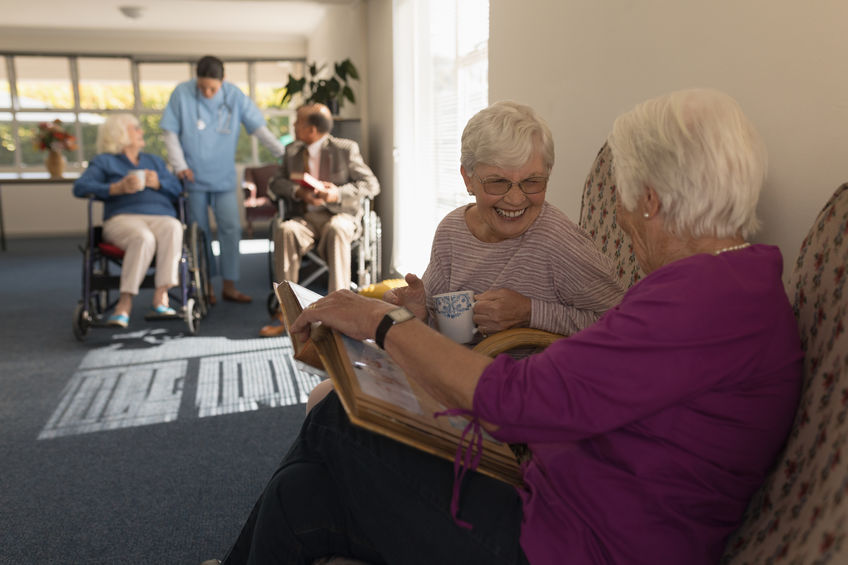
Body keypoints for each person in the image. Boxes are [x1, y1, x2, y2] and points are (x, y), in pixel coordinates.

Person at [208, 88, 804, 565]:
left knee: (339, 422)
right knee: (300, 495)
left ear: (649, 199)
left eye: (623, 197)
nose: (620, 218)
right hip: (555, 502)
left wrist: (384, 322)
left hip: (575, 545)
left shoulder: (705, 302)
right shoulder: (728, 285)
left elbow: (515, 400)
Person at [306, 100, 626, 411]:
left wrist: (530, 312)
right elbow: (438, 327)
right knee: (325, 396)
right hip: (448, 377)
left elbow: (622, 327)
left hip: (515, 398)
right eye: (498, 182)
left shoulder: (557, 240)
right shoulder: (452, 231)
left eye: (532, 182)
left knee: (332, 411)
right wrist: (420, 312)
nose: (516, 199)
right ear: (467, 178)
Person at [161, 55, 285, 305]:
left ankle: (230, 285)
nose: (207, 92)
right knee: (200, 232)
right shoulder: (181, 94)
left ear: (223, 80)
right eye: (202, 87)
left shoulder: (234, 96)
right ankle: (205, 285)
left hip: (223, 176)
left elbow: (259, 129)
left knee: (231, 229)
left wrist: (284, 155)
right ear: (195, 80)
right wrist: (180, 165)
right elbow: (169, 133)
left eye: (212, 88)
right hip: (192, 175)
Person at [258, 102, 380, 337]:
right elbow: (276, 183)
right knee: (286, 230)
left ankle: (339, 314)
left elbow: (371, 184)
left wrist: (337, 193)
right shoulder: (292, 151)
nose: (293, 125)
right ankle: (287, 313)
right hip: (307, 219)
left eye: (297, 122)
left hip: (341, 216)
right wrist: (298, 192)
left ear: (312, 129)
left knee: (337, 229)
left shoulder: (345, 149)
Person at [73, 114, 183, 328]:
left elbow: (178, 189)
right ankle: (125, 303)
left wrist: (159, 183)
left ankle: (161, 297)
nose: (141, 132)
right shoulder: (104, 161)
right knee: (143, 238)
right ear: (120, 134)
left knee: (174, 226)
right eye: (136, 128)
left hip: (161, 216)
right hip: (123, 218)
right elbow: (80, 187)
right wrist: (115, 188)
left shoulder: (154, 161)